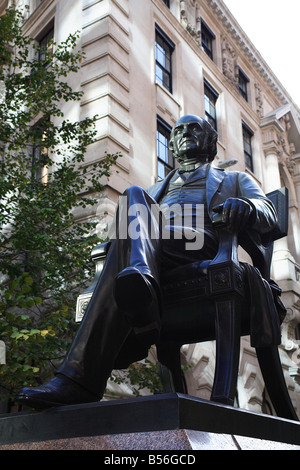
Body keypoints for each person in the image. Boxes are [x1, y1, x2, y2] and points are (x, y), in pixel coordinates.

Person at [15, 115, 278, 409]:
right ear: (173, 144)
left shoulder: (233, 179)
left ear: (210, 143)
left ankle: (82, 374)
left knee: (131, 213)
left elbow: (268, 212)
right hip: (155, 254)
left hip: (201, 245)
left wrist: (245, 205)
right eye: (178, 130)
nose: (185, 133)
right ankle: (139, 290)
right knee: (133, 196)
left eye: (195, 129)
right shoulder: (154, 190)